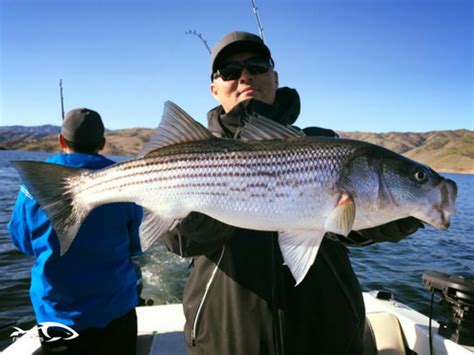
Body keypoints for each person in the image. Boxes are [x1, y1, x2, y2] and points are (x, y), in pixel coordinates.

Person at [161, 31, 423, 354]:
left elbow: (348, 230)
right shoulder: (190, 153)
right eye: (230, 72)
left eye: (256, 66)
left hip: (329, 339)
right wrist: (232, 191)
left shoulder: (325, 143)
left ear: (275, 77)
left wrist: (400, 210)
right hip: (227, 342)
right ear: (214, 89)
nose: (245, 76)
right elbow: (178, 241)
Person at [8, 108, 143, 355]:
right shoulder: (124, 181)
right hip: (116, 310)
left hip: (57, 316)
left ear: (61, 140)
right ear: (102, 143)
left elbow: (22, 240)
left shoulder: (34, 182)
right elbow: (137, 245)